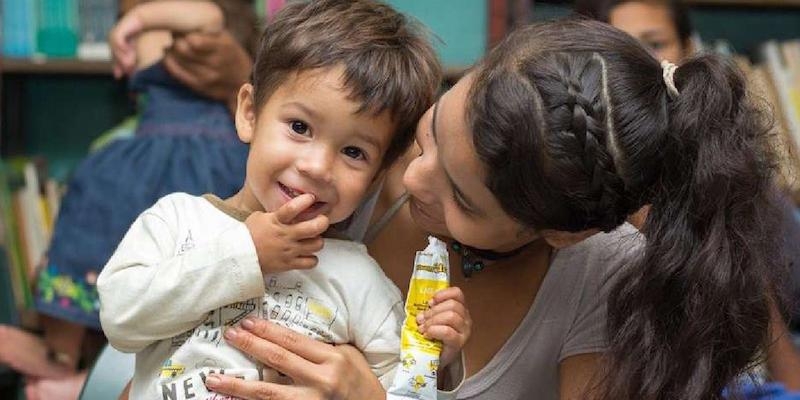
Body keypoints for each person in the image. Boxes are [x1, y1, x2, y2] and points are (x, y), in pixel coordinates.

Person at [155, 17, 791, 400]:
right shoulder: (350, 152)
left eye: (461, 197)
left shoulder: (605, 278)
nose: (414, 176)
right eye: (435, 128)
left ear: (561, 234)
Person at [98, 1, 469, 399]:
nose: (318, 167)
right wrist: (245, 254)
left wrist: (430, 358)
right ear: (249, 114)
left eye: (353, 152)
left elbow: (398, 388)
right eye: (299, 127)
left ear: (376, 177)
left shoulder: (359, 277)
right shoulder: (177, 221)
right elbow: (120, 319)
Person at [0, 1, 258, 399]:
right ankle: (65, 358)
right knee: (91, 211)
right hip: (143, 162)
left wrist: (139, 20)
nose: (128, 35)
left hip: (198, 170)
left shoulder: (200, 36)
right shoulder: (125, 138)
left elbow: (204, 17)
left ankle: (80, 371)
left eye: (139, 21)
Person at [575, 0, 800, 393]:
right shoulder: (584, 196)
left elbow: (784, 369)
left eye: (655, 43)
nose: (642, 61)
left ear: (689, 48)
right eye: (621, 48)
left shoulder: (747, 190)